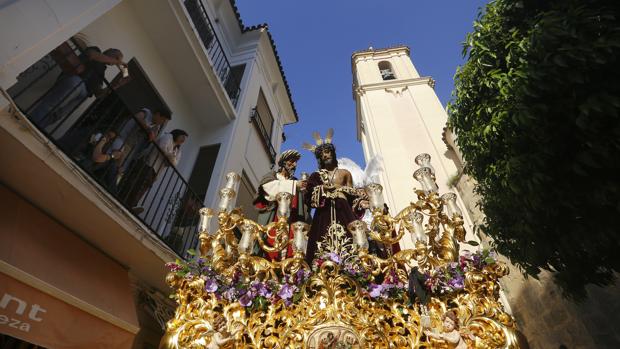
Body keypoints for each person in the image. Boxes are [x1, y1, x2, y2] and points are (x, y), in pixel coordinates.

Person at [303, 129, 368, 263]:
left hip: (343, 208)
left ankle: (352, 264)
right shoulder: (316, 176)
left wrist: (360, 201)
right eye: (322, 154)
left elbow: (353, 195)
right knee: (320, 239)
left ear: (333, 153)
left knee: (351, 237)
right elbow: (308, 195)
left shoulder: (345, 173)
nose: (325, 156)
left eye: (327, 152)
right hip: (324, 211)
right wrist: (323, 188)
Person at [30, 46, 126, 129]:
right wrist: (117, 61)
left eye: (118, 59)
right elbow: (92, 55)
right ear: (109, 50)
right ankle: (31, 123)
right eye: (116, 56)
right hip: (75, 81)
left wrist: (117, 85)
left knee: (57, 115)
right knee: (51, 105)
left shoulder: (102, 73)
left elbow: (98, 94)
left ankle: (37, 127)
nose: (116, 61)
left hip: (82, 96)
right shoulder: (96, 50)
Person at [252, 150, 311, 260]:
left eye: (296, 162)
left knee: (291, 251)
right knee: (268, 247)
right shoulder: (272, 176)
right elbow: (269, 189)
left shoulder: (296, 182)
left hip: (291, 223)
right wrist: (294, 185)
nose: (294, 165)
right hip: (274, 221)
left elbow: (303, 206)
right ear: (283, 163)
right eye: (291, 161)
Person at [119, 129, 188, 213]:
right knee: (135, 183)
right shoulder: (168, 136)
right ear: (177, 134)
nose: (184, 140)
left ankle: (131, 205)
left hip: (156, 171)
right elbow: (162, 147)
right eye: (183, 137)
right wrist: (170, 157)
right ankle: (123, 200)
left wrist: (170, 157)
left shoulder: (178, 150)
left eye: (185, 139)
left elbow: (174, 163)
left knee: (142, 188)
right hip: (148, 163)